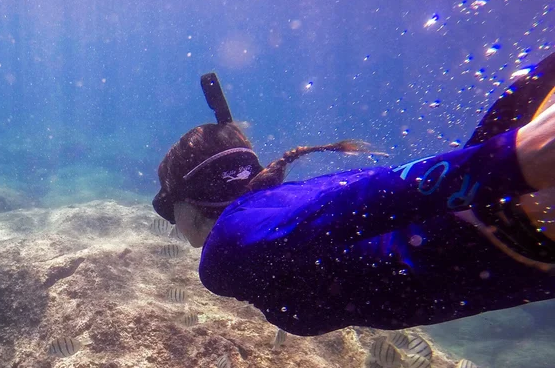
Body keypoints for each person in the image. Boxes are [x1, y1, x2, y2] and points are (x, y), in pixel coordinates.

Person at [152, 54, 555, 337]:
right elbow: (368, 199)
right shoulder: (273, 207)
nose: (175, 223)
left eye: (171, 209)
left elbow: (369, 198)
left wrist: (512, 161)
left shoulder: (228, 246)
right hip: (508, 229)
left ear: (191, 203)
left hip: (507, 230)